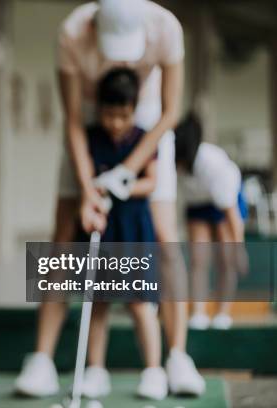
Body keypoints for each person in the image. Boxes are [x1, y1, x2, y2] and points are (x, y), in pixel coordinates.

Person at [15, 0, 205, 398]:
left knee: (166, 241)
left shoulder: (167, 28)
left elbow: (171, 112)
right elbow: (71, 120)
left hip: (147, 125)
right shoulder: (72, 32)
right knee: (63, 241)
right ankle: (42, 359)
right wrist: (90, 188)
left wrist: (125, 173)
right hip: (89, 128)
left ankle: (175, 357)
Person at [77, 68, 166, 400]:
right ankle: (96, 371)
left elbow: (151, 182)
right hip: (103, 229)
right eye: (110, 114)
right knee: (98, 303)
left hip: (135, 229)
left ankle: (154, 371)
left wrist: (123, 185)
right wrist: (96, 189)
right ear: (99, 108)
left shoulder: (144, 137)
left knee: (141, 303)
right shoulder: (90, 136)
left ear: (133, 109)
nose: (116, 122)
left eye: (123, 115)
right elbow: (85, 178)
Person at [175, 113, 248, 330]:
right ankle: (198, 312)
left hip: (225, 202)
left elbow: (232, 215)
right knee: (198, 259)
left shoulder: (213, 164)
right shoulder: (172, 159)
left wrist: (239, 249)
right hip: (197, 204)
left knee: (226, 258)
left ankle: (222, 313)